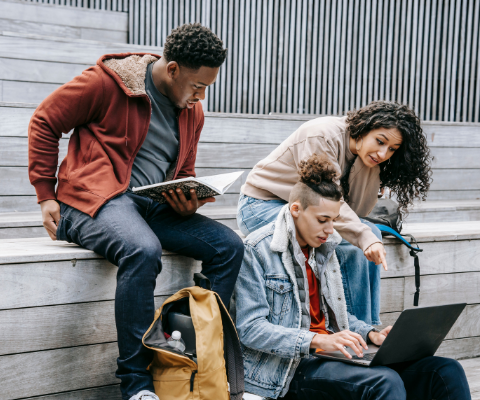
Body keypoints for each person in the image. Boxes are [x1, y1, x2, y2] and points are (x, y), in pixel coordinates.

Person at [28, 23, 244, 400]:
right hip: (92, 199)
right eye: (197, 86)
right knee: (141, 250)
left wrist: (187, 196)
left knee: (229, 246)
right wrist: (46, 193)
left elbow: (184, 168)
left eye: (208, 87)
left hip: (152, 205)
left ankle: (183, 355)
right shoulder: (107, 82)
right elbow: (45, 121)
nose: (201, 96)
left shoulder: (193, 110)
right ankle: (137, 385)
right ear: (172, 68)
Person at [234, 154, 470, 400]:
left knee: (444, 370)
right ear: (296, 209)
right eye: (322, 220)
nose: (329, 230)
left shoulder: (324, 248)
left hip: (332, 355)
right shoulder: (257, 249)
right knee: (384, 382)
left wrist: (371, 335)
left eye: (334, 221)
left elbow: (338, 317)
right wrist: (317, 341)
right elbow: (250, 329)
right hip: (289, 367)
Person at [237, 101, 432, 325]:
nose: (382, 153)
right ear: (365, 127)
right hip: (261, 204)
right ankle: (350, 329)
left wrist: (367, 167)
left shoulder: (368, 157)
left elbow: (358, 211)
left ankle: (367, 328)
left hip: (311, 210)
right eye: (380, 141)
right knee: (348, 242)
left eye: (392, 149)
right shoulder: (321, 136)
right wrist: (361, 236)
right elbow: (326, 202)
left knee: (372, 235)